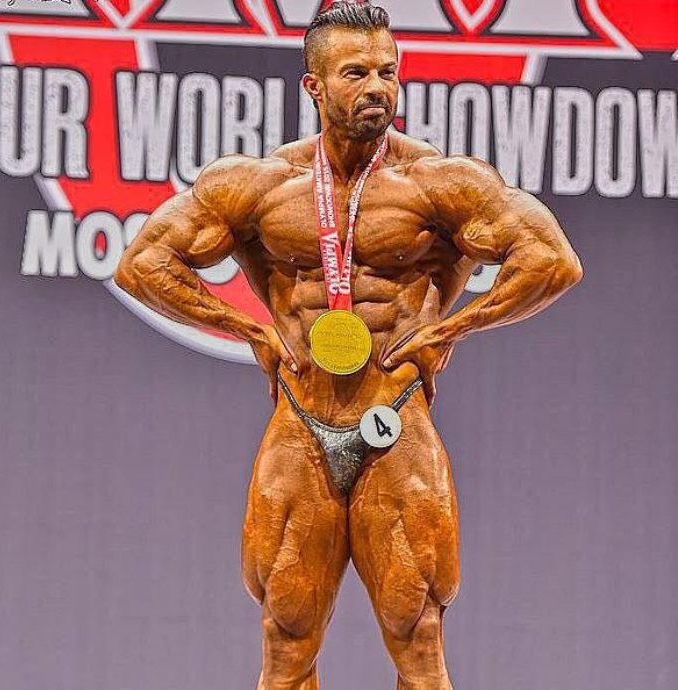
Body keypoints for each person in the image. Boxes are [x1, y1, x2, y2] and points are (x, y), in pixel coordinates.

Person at [114, 2, 583, 688]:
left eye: (389, 72)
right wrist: (251, 328)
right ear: (314, 85)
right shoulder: (260, 185)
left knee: (416, 634)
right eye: (357, 71)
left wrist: (449, 328)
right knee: (286, 636)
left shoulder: (438, 183)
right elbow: (143, 264)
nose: (378, 87)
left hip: (394, 420)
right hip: (300, 425)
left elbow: (551, 259)